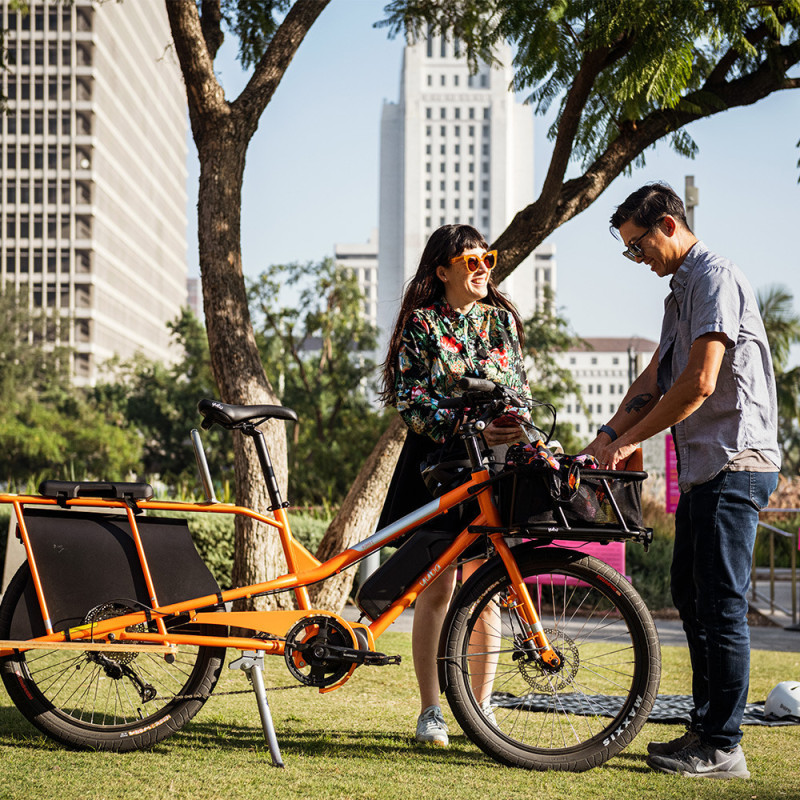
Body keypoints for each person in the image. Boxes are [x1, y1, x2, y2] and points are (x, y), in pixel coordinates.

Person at [584, 183, 780, 779]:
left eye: (638, 246)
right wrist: (605, 433)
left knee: (720, 605)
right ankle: (703, 732)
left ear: (668, 224)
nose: (637, 260)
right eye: (629, 252)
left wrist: (631, 441)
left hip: (735, 462)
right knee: (691, 598)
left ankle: (723, 746)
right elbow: (655, 375)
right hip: (704, 468)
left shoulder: (713, 275)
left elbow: (698, 382)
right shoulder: (679, 293)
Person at [379, 224, 531, 746]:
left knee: (488, 589)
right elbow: (411, 402)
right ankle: (430, 711)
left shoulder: (501, 322)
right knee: (437, 587)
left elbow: (519, 388)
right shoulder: (421, 324)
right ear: (442, 271)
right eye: (470, 261)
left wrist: (511, 424)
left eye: (487, 258)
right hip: (436, 465)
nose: (483, 267)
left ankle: (480, 707)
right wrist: (469, 426)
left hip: (493, 465)